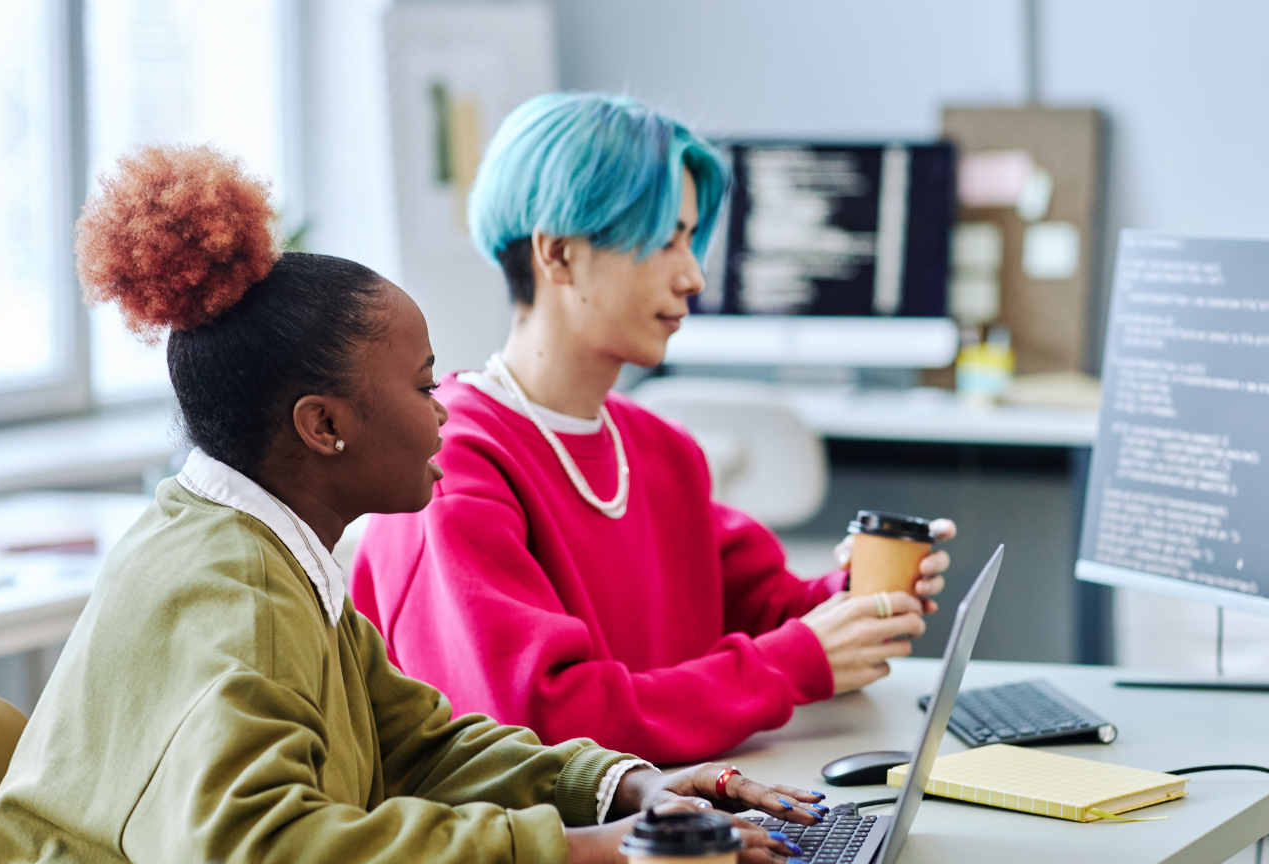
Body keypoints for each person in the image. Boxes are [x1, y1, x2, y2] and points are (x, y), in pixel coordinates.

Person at [0, 145, 821, 864]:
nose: (444, 409)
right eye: (421, 384)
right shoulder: (237, 594)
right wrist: (579, 854)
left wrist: (625, 790)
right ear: (324, 426)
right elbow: (259, 863)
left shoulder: (268, 549)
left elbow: (417, 744)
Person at [351, 93, 956, 765]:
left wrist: (858, 598)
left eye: (691, 241)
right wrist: (795, 663)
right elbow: (544, 727)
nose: (693, 275)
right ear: (558, 255)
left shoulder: (659, 450)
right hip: (556, 853)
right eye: (665, 240)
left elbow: (768, 610)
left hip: (674, 816)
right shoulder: (452, 465)